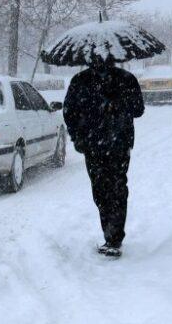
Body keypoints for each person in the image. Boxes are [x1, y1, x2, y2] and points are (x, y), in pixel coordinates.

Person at [63, 57, 145, 258]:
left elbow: (138, 109)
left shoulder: (124, 79)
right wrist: (78, 137)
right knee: (109, 188)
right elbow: (70, 113)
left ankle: (113, 237)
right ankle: (112, 234)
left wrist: (116, 103)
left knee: (108, 188)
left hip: (112, 144)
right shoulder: (82, 81)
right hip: (101, 145)